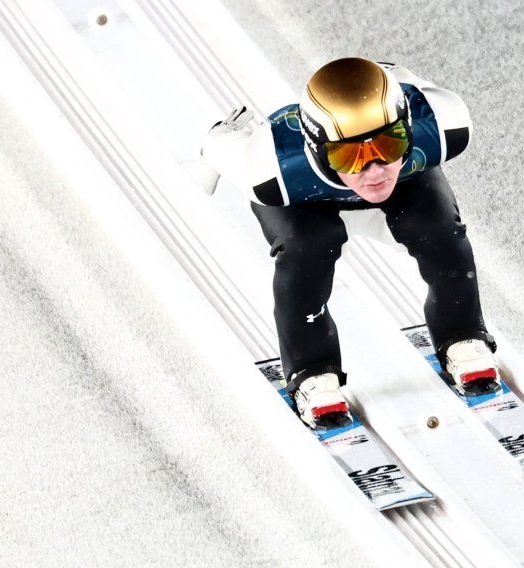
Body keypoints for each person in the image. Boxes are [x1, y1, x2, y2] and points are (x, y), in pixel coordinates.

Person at [201, 57, 499, 428]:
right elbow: (218, 145)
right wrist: (215, 148)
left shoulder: (444, 124)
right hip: (306, 203)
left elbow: (405, 81)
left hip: (401, 193)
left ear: (409, 125)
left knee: (440, 230)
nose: (374, 171)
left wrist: (389, 74)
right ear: (316, 148)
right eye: (349, 155)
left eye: (390, 145)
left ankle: (461, 333)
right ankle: (311, 371)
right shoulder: (270, 168)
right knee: (306, 246)